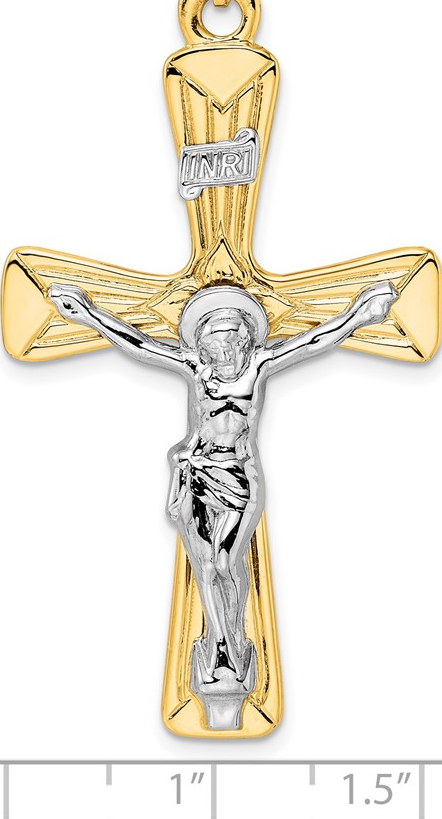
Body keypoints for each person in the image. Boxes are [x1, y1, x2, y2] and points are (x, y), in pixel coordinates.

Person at [48, 280, 397, 714]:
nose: (227, 348)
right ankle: (222, 645)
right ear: (205, 343)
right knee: (207, 567)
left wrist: (359, 315)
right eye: (218, 339)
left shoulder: (259, 365)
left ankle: (231, 641)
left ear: (246, 339)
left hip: (239, 475)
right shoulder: (196, 369)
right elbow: (139, 345)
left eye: (234, 337)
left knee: (228, 561)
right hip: (199, 473)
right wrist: (87, 314)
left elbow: (313, 341)